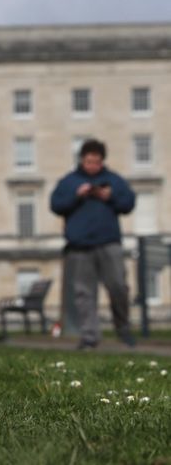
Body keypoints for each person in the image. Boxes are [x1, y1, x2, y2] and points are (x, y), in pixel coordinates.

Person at [50, 139, 136, 349]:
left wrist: (110, 196)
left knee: (118, 286)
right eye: (89, 161)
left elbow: (129, 203)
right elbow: (55, 205)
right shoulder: (69, 181)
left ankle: (122, 327)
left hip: (109, 243)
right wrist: (76, 195)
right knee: (83, 293)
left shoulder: (113, 180)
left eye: (96, 162)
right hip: (79, 246)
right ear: (82, 160)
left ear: (102, 161)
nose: (93, 165)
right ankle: (89, 336)